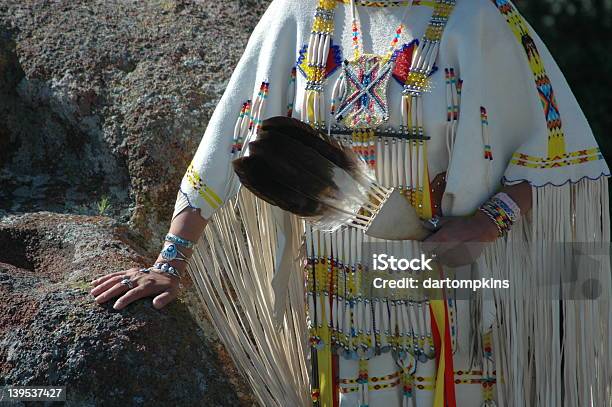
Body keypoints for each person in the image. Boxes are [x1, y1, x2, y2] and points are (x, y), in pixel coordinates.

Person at [90, 0, 610, 405]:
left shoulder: (478, 16)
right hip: (332, 294)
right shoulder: (298, 14)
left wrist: (489, 222)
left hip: (451, 290)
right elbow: (230, 141)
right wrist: (170, 262)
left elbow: (555, 154)